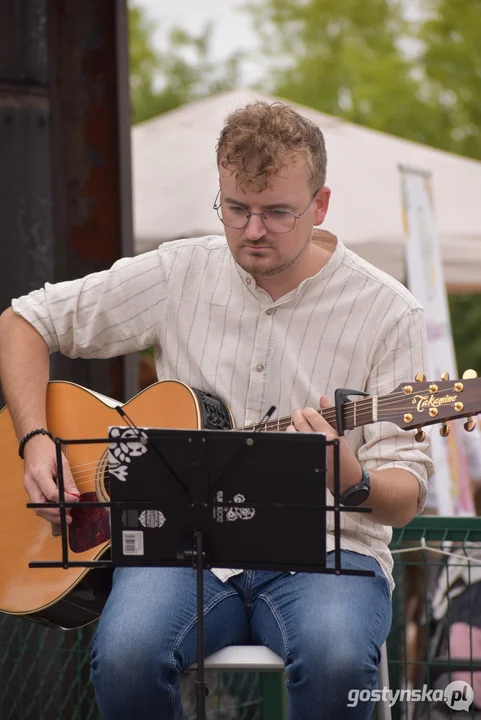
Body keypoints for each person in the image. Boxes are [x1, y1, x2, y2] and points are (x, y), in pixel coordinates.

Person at [0, 100, 433, 719]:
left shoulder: (389, 311)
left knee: (338, 660)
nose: (253, 230)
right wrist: (35, 438)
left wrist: (352, 478)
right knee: (125, 654)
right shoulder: (180, 271)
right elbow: (22, 320)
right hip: (182, 550)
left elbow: (407, 495)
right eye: (235, 209)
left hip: (332, 551)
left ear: (321, 205)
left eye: (278, 212)